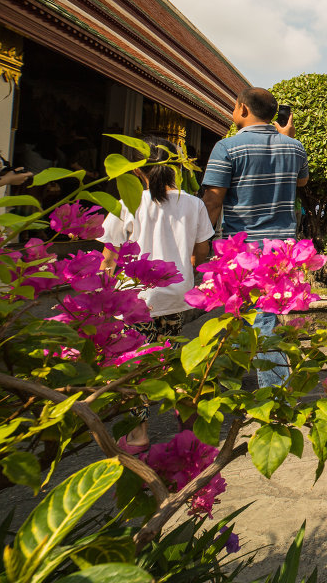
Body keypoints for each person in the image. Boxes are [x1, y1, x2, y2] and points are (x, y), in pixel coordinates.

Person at [102, 136, 214, 453]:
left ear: (135, 169)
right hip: (175, 297)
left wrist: (102, 297)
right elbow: (202, 250)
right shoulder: (193, 204)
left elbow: (109, 257)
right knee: (169, 360)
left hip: (134, 301)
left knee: (134, 369)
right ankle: (187, 423)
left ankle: (138, 434)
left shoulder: (125, 205)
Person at [202, 87, 308, 388]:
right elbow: (302, 181)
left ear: (243, 110)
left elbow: (212, 201)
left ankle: (272, 391)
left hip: (242, 247)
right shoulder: (295, 147)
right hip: (283, 250)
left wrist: (203, 245)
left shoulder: (226, 148)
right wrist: (287, 139)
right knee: (263, 314)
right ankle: (237, 379)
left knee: (249, 315)